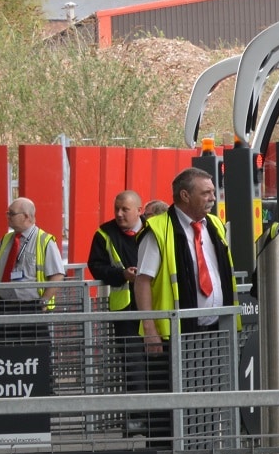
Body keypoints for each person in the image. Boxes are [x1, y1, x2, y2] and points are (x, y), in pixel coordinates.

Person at [133, 168, 234, 360]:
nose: (213, 198)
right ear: (185, 195)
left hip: (218, 330)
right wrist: (149, 328)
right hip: (174, 334)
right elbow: (142, 281)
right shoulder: (158, 229)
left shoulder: (215, 224)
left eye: (213, 192)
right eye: (205, 193)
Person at [86, 190, 151, 407]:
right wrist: (122, 275)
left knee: (158, 360)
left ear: (139, 211)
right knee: (132, 363)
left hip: (155, 304)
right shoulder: (104, 233)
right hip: (125, 309)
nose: (119, 214)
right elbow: (96, 267)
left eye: (125, 209)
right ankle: (137, 417)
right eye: (117, 209)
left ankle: (159, 413)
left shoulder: (154, 230)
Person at [0, 197, 66, 310]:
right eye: (7, 213)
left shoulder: (44, 241)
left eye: (12, 213)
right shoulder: (5, 240)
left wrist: (43, 302)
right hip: (2, 304)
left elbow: (58, 275)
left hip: (30, 306)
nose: (8, 217)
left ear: (26, 216)